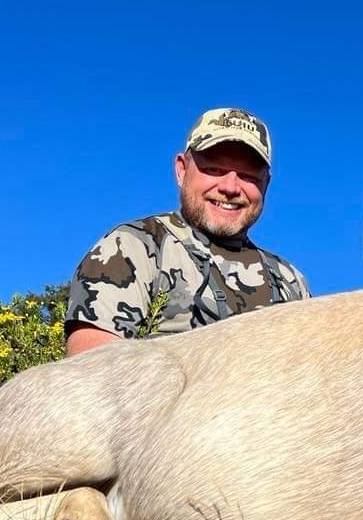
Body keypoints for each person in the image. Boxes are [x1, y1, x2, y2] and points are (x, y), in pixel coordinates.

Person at [65, 107, 310, 356]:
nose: (230, 187)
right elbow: (90, 373)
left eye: (247, 176)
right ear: (181, 170)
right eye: (214, 169)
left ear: (266, 184)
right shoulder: (133, 247)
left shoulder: (289, 281)